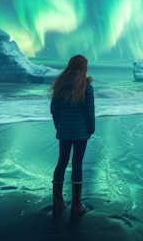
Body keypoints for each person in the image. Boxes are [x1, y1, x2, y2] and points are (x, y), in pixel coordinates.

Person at [49, 55, 95, 219]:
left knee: (61, 162)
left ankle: (58, 201)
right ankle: (77, 205)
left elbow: (54, 109)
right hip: (81, 132)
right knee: (77, 164)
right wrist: (91, 130)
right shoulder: (86, 87)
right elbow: (89, 112)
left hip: (64, 132)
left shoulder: (60, 84)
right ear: (83, 68)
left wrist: (59, 127)